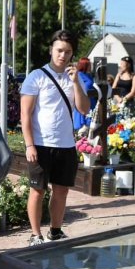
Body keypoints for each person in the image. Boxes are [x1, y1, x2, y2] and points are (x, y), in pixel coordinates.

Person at [20, 29, 90, 246]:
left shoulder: (74, 78)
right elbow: (26, 113)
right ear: (51, 49)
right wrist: (29, 144)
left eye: (67, 51)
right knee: (37, 190)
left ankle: (55, 230)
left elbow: (84, 109)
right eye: (59, 50)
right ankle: (35, 234)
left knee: (61, 190)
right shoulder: (36, 76)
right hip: (41, 144)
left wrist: (77, 82)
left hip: (66, 144)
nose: (63, 55)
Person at [72, 57, 96, 132]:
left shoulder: (89, 75)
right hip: (83, 100)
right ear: (85, 65)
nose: (91, 66)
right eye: (89, 64)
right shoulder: (79, 75)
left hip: (92, 101)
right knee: (82, 128)